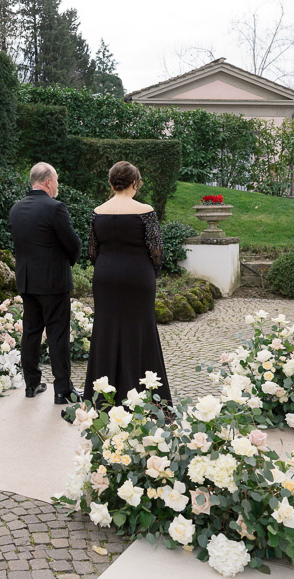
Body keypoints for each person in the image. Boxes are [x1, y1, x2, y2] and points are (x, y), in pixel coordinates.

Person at [83, 161, 172, 408]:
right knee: (141, 331)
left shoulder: (98, 211)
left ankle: (102, 400)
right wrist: (149, 273)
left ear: (111, 184)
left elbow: (92, 251)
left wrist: (108, 267)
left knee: (105, 330)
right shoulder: (145, 210)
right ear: (135, 183)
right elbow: (156, 252)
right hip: (138, 277)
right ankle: (146, 399)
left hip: (106, 277)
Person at [9, 162, 83, 406]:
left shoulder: (16, 209)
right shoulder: (55, 208)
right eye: (57, 181)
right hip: (53, 283)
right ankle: (62, 390)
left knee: (30, 332)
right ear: (49, 181)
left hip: (27, 282)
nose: (57, 186)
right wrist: (67, 261)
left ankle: (31, 385)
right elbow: (73, 244)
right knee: (57, 335)